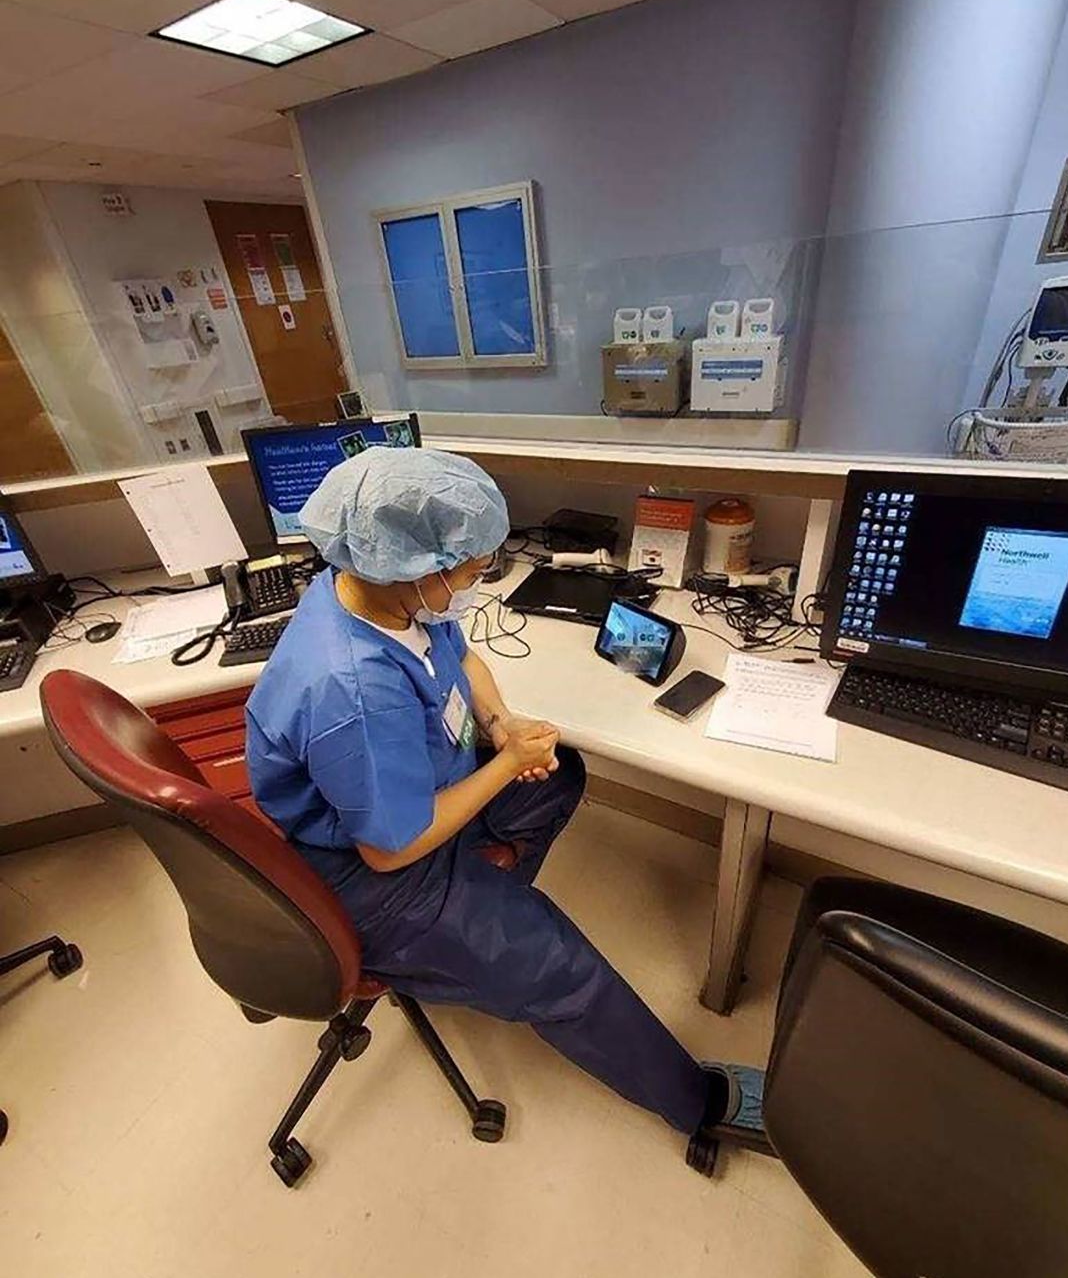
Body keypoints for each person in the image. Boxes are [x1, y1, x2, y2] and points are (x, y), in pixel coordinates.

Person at [245, 447, 763, 1150]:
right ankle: (697, 1102)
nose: (478, 581)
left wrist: (499, 725)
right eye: (473, 569)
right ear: (421, 569)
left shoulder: (372, 589)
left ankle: (477, 936)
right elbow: (390, 847)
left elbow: (460, 654)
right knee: (562, 964)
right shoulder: (352, 691)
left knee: (560, 774)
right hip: (378, 873)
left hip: (417, 799)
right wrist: (505, 762)